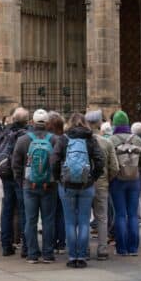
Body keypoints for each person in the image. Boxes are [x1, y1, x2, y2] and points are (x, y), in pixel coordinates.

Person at [52, 113, 105, 268]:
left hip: (67, 185)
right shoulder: (90, 138)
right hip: (86, 184)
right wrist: (93, 177)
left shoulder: (64, 139)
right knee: (83, 222)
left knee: (69, 222)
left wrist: (58, 178)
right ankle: (82, 256)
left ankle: (72, 256)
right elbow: (100, 160)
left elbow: (54, 160)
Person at [12, 109, 57, 264]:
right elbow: (59, 163)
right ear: (48, 123)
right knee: (48, 220)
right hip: (49, 185)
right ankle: (48, 254)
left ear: (32, 122)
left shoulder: (23, 140)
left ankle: (32, 254)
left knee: (30, 220)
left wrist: (21, 181)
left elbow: (16, 164)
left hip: (29, 185)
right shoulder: (54, 140)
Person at [110, 111, 141, 256]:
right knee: (132, 215)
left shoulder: (111, 140)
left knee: (119, 214)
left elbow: (110, 162)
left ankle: (122, 248)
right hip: (134, 179)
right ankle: (133, 248)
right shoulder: (137, 139)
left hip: (118, 180)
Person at [0, 107, 30, 256]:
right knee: (24, 211)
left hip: (6, 175)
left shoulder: (4, 132)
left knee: (7, 210)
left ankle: (6, 246)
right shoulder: (26, 134)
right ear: (27, 120)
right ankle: (26, 247)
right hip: (21, 176)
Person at [86, 110, 117, 260]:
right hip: (102, 183)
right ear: (99, 123)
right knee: (102, 217)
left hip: (84, 183)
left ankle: (84, 248)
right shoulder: (107, 142)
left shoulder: (82, 141)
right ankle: (102, 249)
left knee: (84, 216)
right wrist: (107, 179)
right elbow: (115, 168)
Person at [46, 111, 67, 255]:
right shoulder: (65, 139)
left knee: (50, 213)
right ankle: (62, 242)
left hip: (50, 179)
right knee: (62, 212)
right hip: (64, 179)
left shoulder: (48, 139)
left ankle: (52, 242)